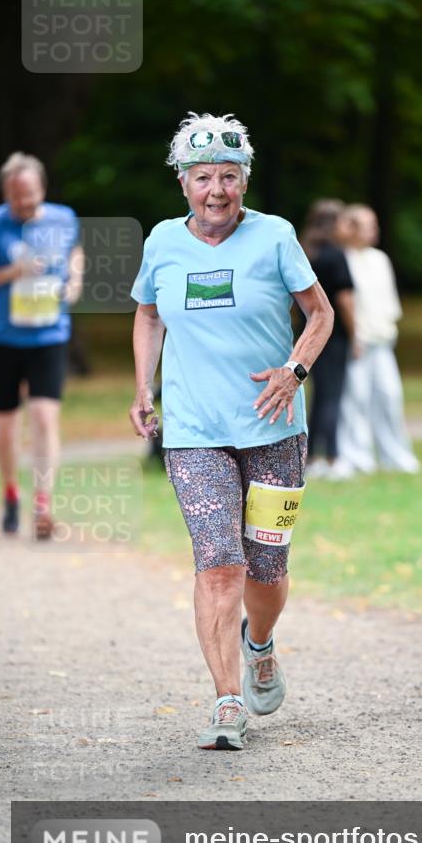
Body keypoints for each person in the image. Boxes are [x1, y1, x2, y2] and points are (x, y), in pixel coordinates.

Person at [129, 113, 333, 751]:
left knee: (266, 569)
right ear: (183, 184)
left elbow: (320, 314)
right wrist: (143, 386)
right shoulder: (162, 241)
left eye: (227, 176)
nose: (215, 190)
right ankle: (225, 700)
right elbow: (148, 315)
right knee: (219, 565)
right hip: (194, 432)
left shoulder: (275, 236)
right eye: (201, 178)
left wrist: (295, 370)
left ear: (244, 181)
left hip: (273, 426)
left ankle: (261, 643)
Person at [0, 152, 84, 538]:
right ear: (6, 194)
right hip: (5, 338)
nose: (24, 204)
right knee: (7, 429)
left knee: (46, 418)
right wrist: (16, 270)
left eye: (29, 195)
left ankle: (43, 504)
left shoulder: (64, 218)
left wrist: (75, 282)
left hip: (49, 334)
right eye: (16, 197)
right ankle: (12, 493)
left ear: (41, 189)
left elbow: (75, 253)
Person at [335, 204, 419, 475]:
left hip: (382, 340)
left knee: (390, 396)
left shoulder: (380, 259)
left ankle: (395, 455)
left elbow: (388, 302)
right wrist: (355, 335)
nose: (374, 230)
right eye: (367, 224)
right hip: (357, 342)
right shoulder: (342, 258)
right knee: (355, 400)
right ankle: (357, 456)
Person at [299, 199, 356, 480]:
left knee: (317, 396)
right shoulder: (336, 255)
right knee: (333, 396)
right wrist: (356, 333)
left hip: (307, 335)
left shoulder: (306, 252)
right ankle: (333, 457)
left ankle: (309, 456)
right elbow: (344, 300)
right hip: (332, 337)